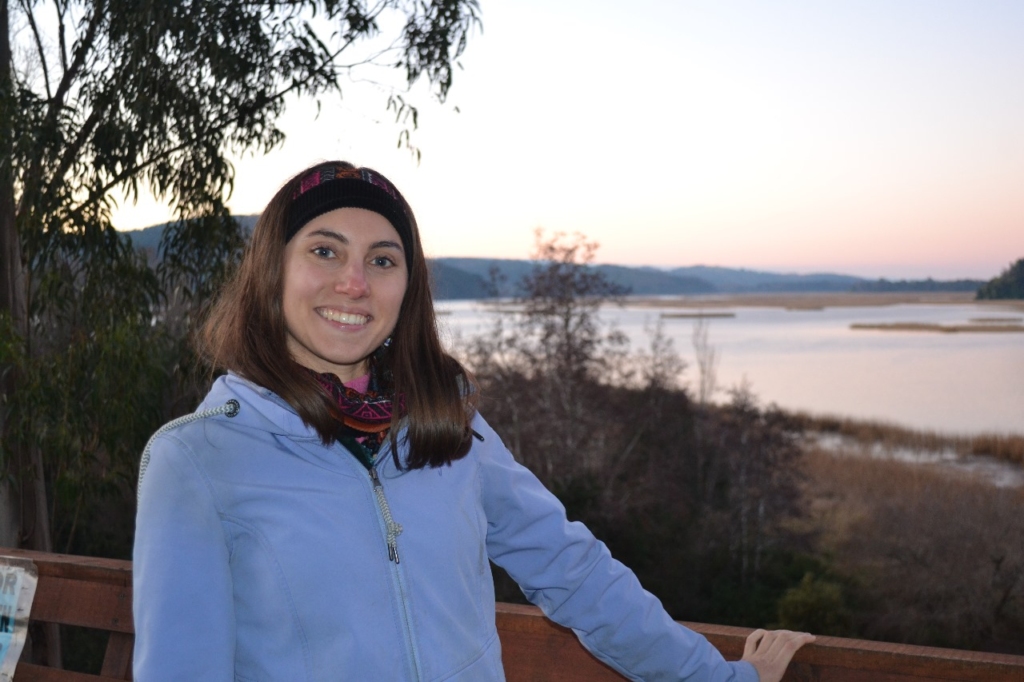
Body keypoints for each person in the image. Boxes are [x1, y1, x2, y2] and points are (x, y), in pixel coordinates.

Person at [133, 161, 814, 681]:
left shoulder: (444, 425)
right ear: (271, 271)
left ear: (407, 286)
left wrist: (723, 678)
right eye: (324, 250)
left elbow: (571, 568)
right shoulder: (199, 459)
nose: (354, 283)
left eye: (382, 260)